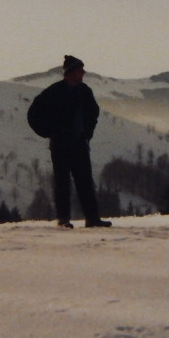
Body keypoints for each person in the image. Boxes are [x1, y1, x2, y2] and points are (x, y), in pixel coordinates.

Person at [31, 55, 112, 228]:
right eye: (79, 70)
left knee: (85, 181)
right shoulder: (55, 91)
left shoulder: (85, 91)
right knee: (62, 182)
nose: (82, 73)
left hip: (79, 142)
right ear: (71, 72)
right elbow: (34, 113)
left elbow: (93, 112)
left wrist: (87, 133)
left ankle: (92, 218)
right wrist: (48, 132)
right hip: (61, 144)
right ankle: (64, 219)